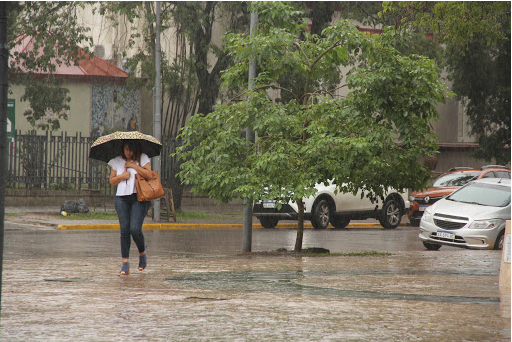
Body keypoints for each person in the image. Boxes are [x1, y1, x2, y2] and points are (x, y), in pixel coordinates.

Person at [108, 140, 152, 275]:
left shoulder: (143, 158)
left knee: (135, 228)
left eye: (130, 150)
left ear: (135, 149)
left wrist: (134, 166)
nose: (128, 152)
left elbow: (149, 175)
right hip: (121, 198)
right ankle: (125, 263)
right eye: (126, 149)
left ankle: (142, 252)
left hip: (139, 198)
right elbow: (112, 180)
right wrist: (122, 176)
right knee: (124, 230)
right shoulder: (117, 161)